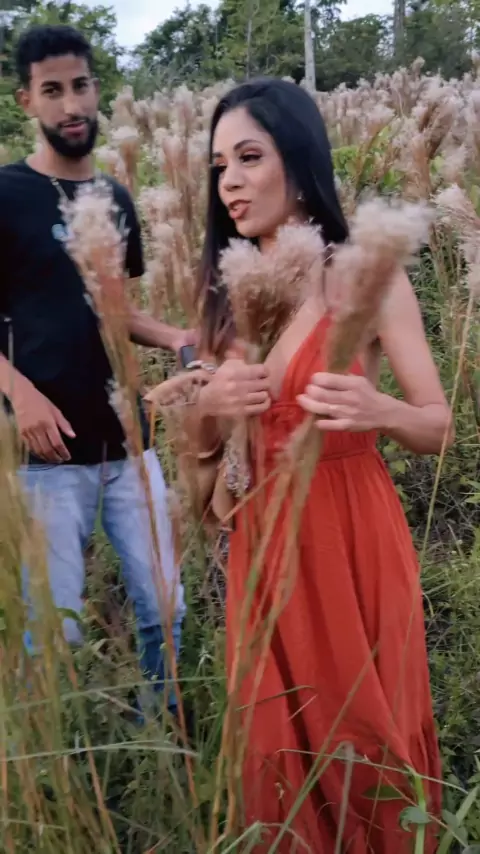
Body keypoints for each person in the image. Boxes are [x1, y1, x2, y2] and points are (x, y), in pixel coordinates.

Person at [164, 78, 452, 850]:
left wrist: (381, 411)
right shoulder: (226, 292)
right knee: (277, 741)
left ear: (298, 160)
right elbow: (203, 469)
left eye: (248, 157)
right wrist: (209, 407)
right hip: (263, 543)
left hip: (352, 535)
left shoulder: (366, 276)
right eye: (218, 165)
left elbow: (438, 426)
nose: (228, 181)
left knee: (365, 733)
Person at [0, 24, 190, 716]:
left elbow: (116, 312)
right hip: (44, 457)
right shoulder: (6, 193)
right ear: (27, 101)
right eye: (52, 90)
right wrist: (21, 395)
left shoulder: (114, 198)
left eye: (80, 85)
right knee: (56, 630)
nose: (71, 103)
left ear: (96, 88)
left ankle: (157, 731)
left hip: (128, 443)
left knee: (166, 607)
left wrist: (178, 336)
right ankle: (63, 758)